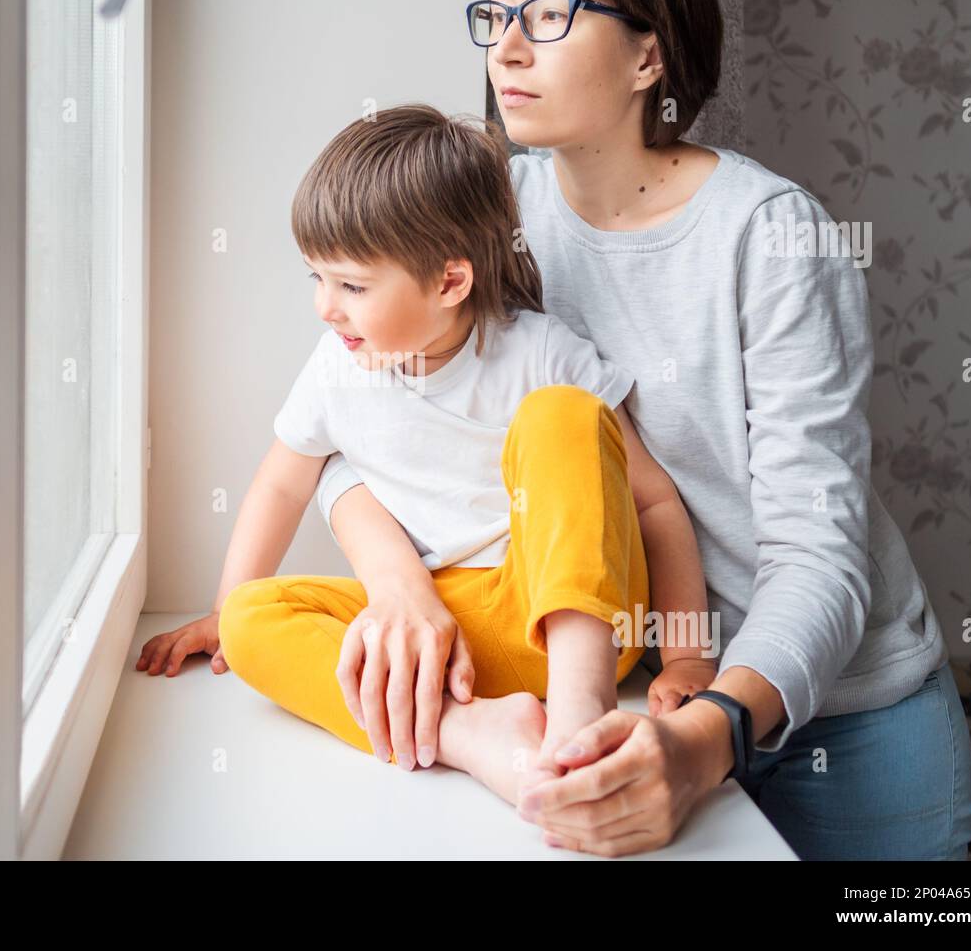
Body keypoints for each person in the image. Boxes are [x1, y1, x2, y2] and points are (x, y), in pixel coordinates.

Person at [297, 0, 971, 860]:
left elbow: (818, 558)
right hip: (637, 687)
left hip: (836, 708)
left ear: (648, 57)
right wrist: (396, 581)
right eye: (498, 15)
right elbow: (340, 421)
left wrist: (708, 736)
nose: (508, 51)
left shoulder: (770, 236)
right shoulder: (491, 211)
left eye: (550, 17)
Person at [137, 102, 718, 810]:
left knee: (563, 413)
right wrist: (222, 607)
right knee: (255, 618)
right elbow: (281, 485)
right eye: (315, 278)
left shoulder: (538, 353)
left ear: (450, 282)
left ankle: (578, 710)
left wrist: (688, 652)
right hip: (441, 639)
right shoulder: (335, 369)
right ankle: (466, 733)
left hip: (566, 608)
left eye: (352, 285)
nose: (326, 306)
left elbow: (654, 502)